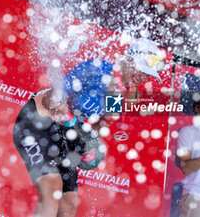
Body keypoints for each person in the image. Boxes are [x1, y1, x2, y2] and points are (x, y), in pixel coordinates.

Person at [13, 37, 166, 217]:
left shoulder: (119, 93)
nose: (143, 77)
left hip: (62, 135)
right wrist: (72, 123)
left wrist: (92, 148)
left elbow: (100, 126)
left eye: (146, 75)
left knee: (70, 202)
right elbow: (51, 100)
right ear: (129, 60)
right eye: (141, 70)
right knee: (52, 189)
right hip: (36, 122)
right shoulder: (96, 68)